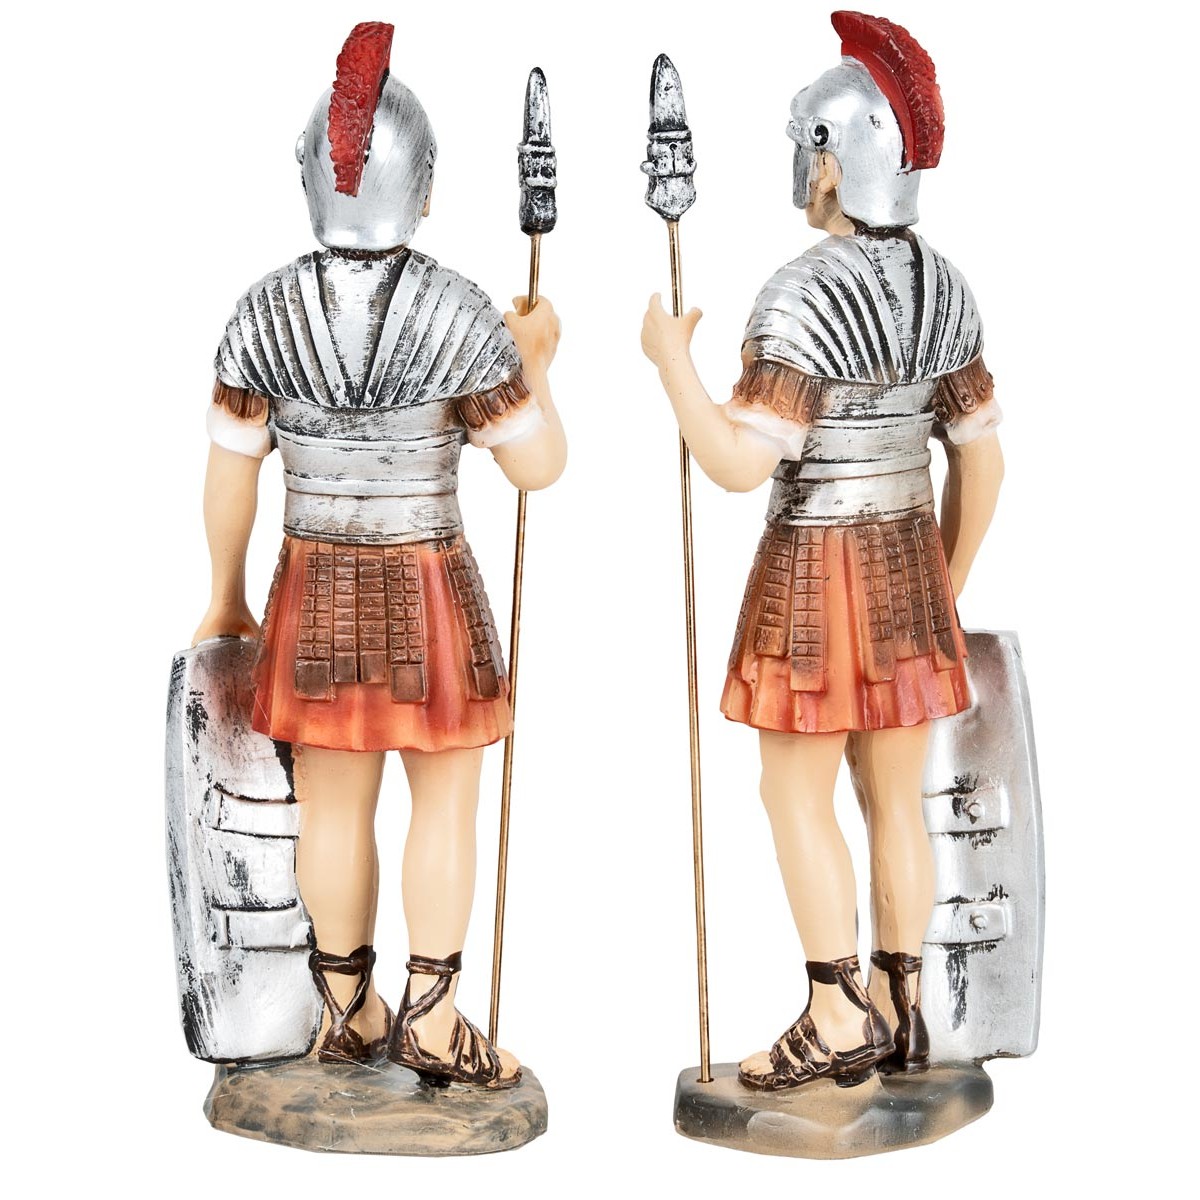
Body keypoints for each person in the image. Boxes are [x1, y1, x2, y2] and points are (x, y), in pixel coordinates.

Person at [192, 22, 565, 1089]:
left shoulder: (263, 312)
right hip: (429, 588)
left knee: (335, 805)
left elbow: (231, 477)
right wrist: (536, 362)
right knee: (443, 800)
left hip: (312, 586)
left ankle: (349, 1013)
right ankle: (432, 1025)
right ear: (424, 190)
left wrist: (225, 596)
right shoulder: (459, 312)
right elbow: (538, 466)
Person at [640, 10, 1003, 1089]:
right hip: (908, 569)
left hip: (815, 572)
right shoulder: (948, 288)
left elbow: (738, 463)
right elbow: (983, 465)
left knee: (794, 794)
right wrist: (943, 589)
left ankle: (839, 1014)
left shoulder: (803, 292)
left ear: (834, 160)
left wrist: (671, 364)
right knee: (894, 801)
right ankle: (902, 1005)